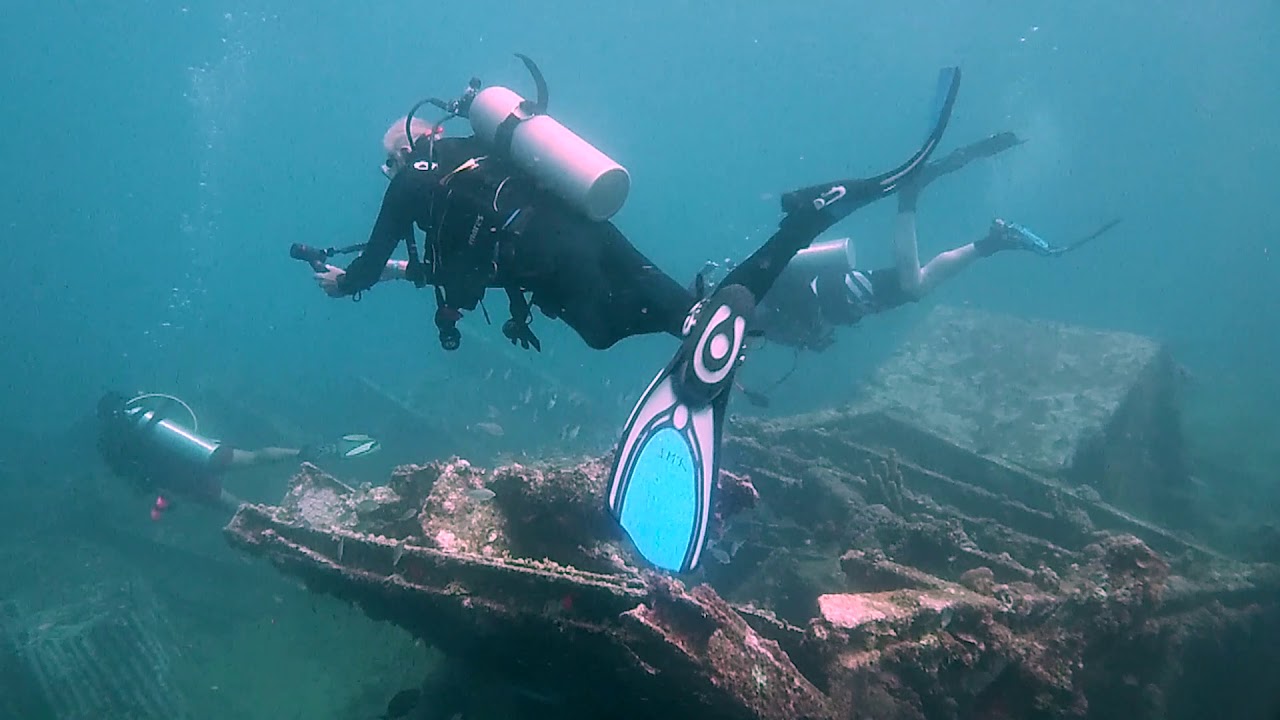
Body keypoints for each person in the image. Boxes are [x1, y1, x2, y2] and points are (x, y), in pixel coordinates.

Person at [95, 391, 374, 517]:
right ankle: (305, 452)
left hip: (176, 478)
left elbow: (139, 480)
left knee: (234, 505)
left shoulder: (113, 445)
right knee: (252, 458)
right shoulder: (144, 415)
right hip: (198, 451)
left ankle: (278, 523)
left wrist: (164, 500)